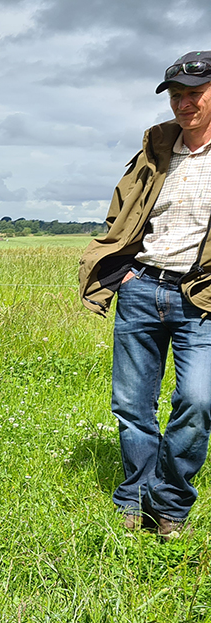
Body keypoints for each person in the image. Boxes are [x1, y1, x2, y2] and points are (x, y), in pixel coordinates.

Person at [79, 51, 211, 541]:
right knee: (132, 405)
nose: (184, 103)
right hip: (143, 288)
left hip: (202, 298)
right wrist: (123, 272)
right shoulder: (157, 146)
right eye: (176, 95)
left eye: (194, 94)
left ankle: (170, 499)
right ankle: (135, 497)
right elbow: (123, 207)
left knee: (198, 401)